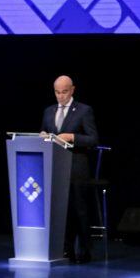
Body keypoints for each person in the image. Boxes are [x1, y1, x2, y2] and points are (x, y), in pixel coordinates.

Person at [40, 75, 99, 264]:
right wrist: (43, 136)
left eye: (64, 92)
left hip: (76, 166)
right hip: (55, 167)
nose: (60, 96)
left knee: (79, 209)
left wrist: (72, 136)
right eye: (57, 92)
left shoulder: (83, 110)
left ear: (72, 90)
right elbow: (44, 132)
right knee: (61, 210)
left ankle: (84, 250)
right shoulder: (49, 111)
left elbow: (93, 139)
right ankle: (65, 249)